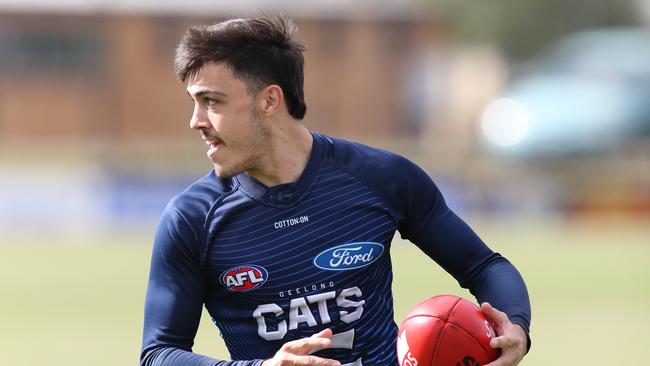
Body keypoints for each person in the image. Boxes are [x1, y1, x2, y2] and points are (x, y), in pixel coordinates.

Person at [140, 15, 531, 366]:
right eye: (195, 102)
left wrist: (515, 327)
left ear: (270, 101)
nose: (196, 121)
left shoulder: (382, 178)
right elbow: (158, 354)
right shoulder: (192, 218)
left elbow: (484, 266)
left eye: (212, 101)